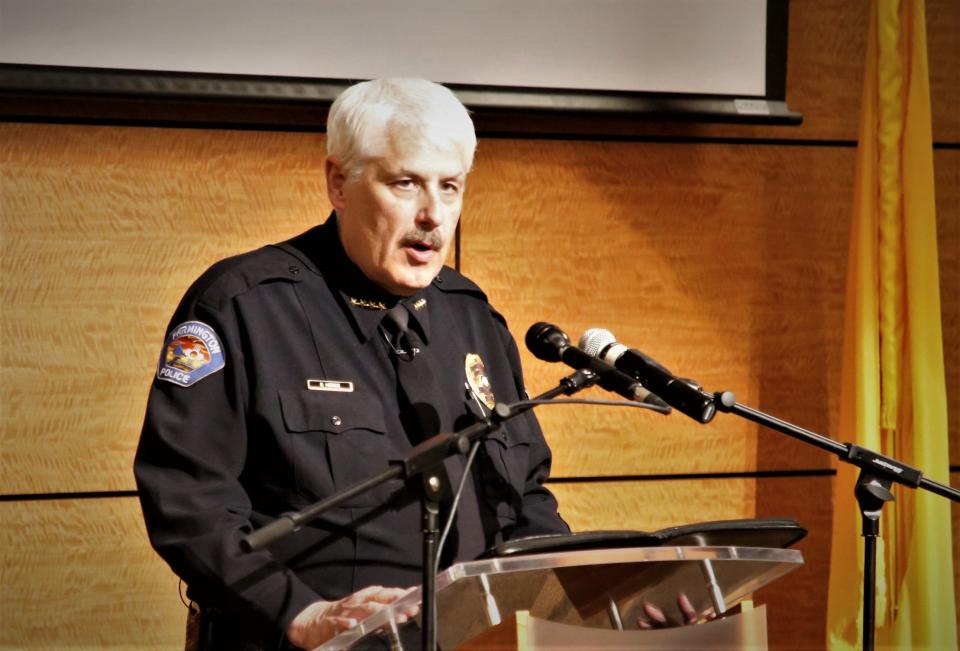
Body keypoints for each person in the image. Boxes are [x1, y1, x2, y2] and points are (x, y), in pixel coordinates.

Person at [134, 78, 569, 650]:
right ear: (338, 182)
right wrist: (298, 613)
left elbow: (525, 500)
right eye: (406, 183)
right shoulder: (245, 306)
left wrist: (594, 599)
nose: (434, 215)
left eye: (450, 187)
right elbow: (188, 500)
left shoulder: (473, 320)